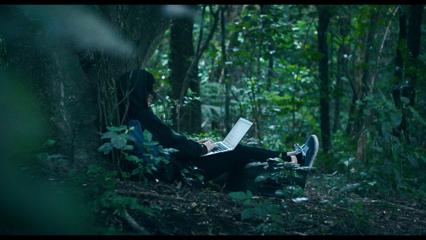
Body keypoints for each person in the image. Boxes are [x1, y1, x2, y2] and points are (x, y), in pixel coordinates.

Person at [116, 69, 319, 193]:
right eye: (149, 91)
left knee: (233, 151)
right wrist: (202, 149)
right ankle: (293, 160)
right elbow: (171, 140)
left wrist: (199, 146)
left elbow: (166, 142)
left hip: (173, 166)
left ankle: (289, 160)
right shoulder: (142, 115)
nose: (151, 96)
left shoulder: (127, 114)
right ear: (141, 91)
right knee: (237, 151)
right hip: (177, 172)